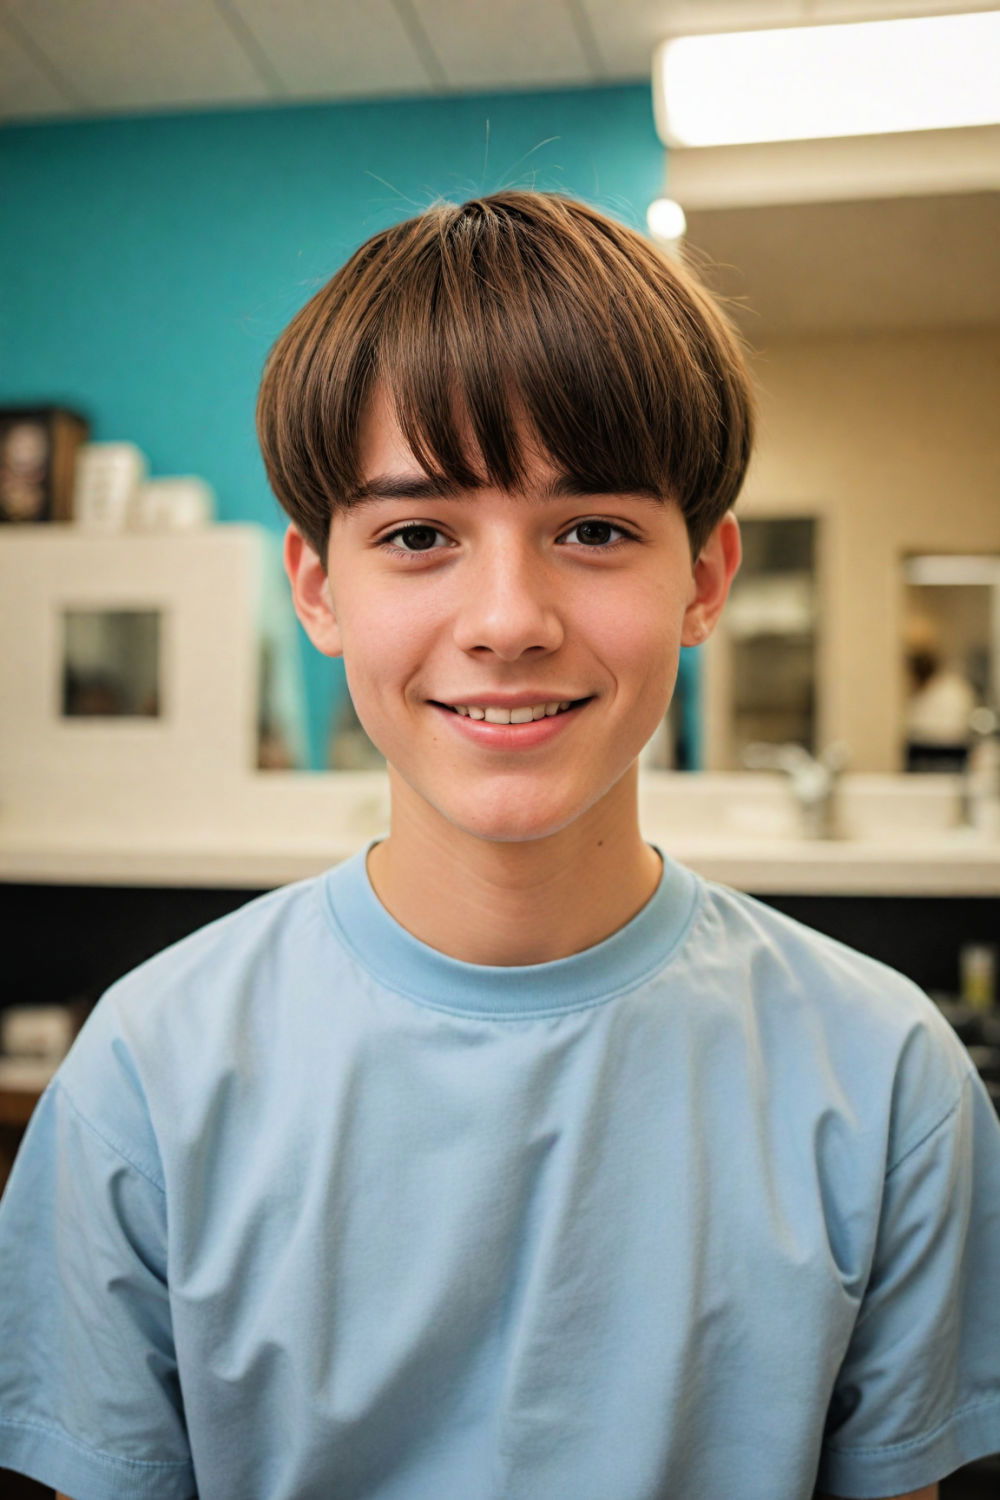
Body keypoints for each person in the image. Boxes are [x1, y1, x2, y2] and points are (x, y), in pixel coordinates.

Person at [1, 190, 998, 1500]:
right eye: (419, 536)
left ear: (703, 579)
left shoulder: (884, 1087)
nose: (508, 619)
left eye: (592, 530)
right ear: (317, 588)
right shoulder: (152, 1076)